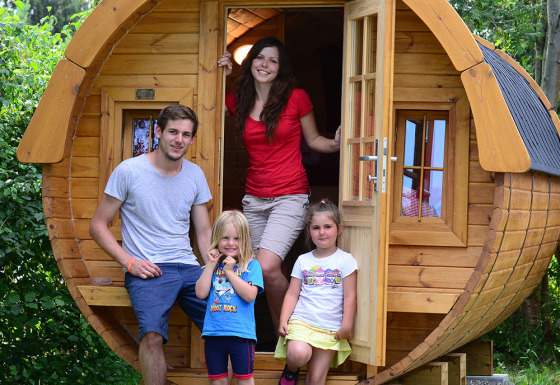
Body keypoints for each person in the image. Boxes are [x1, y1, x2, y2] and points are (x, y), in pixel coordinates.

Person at [218, 36, 341, 331]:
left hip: (290, 195)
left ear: (281, 68)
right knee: (263, 273)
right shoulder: (239, 100)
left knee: (267, 266)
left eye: (273, 60)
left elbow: (313, 140)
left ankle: (292, 330)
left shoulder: (296, 97)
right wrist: (219, 76)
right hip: (253, 199)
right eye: (260, 58)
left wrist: (337, 144)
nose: (265, 64)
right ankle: (283, 337)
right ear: (250, 63)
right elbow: (205, 113)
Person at [89, 104, 212, 385]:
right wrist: (130, 262)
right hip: (149, 268)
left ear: (192, 139)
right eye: (173, 131)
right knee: (153, 336)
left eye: (186, 134)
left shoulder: (195, 175)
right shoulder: (129, 171)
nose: (179, 139)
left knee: (227, 328)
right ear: (158, 132)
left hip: (190, 268)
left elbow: (204, 232)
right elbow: (97, 225)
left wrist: (212, 270)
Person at [274, 199, 357, 385]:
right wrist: (283, 320)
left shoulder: (346, 260)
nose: (322, 232)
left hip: (330, 328)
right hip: (302, 323)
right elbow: (292, 294)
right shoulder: (303, 260)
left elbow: (350, 295)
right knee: (298, 354)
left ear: (339, 228)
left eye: (327, 226)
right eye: (316, 227)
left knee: (316, 380)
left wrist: (346, 326)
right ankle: (291, 370)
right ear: (309, 231)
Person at [195, 210, 264, 385]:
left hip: (241, 335)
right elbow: (201, 293)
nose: (231, 243)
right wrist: (211, 264)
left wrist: (229, 272)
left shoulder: (251, 266)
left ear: (245, 240)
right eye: (225, 238)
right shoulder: (212, 266)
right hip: (213, 334)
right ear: (217, 239)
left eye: (237, 238)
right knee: (217, 381)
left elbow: (249, 295)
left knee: (244, 380)